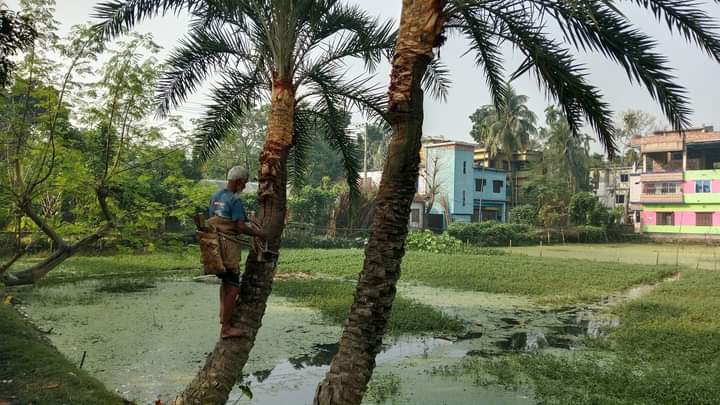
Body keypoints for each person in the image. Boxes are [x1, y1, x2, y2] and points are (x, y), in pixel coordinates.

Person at [208, 166, 267, 338]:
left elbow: (215, 220)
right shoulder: (235, 200)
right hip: (227, 248)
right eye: (244, 182)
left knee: (225, 282)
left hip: (214, 247)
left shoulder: (215, 196)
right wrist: (259, 233)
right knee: (233, 287)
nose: (244, 185)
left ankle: (222, 314)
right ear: (240, 182)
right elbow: (240, 227)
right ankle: (226, 328)